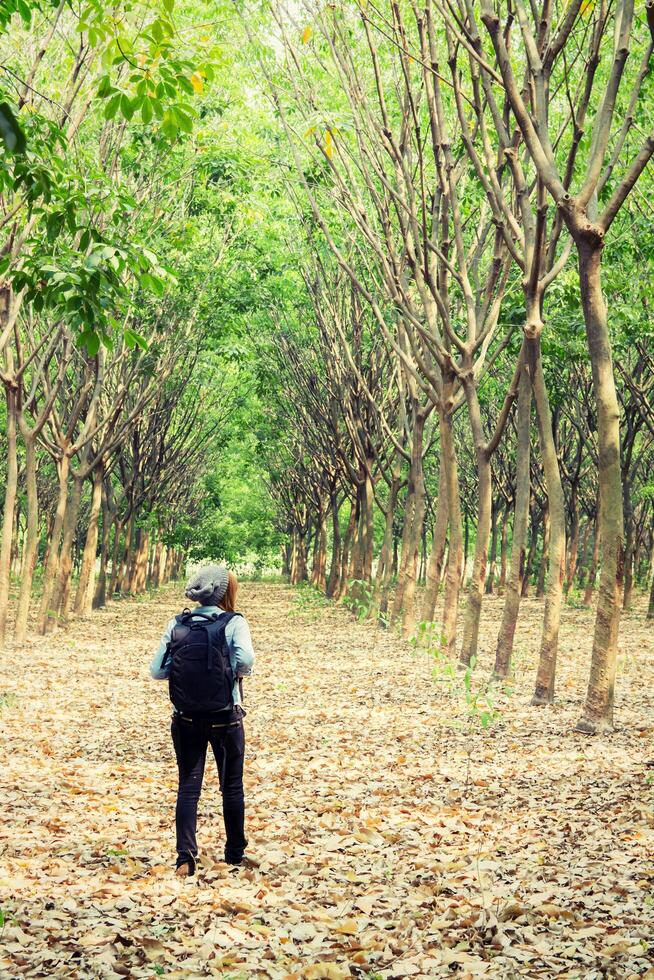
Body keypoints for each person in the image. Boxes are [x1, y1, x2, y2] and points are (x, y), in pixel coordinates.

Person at [150, 564, 255, 876]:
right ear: (225, 593)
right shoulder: (234, 623)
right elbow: (246, 662)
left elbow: (156, 671)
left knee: (188, 786)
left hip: (186, 719)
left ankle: (185, 858)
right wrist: (230, 671)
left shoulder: (177, 624)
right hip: (226, 717)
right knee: (232, 786)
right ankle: (235, 854)